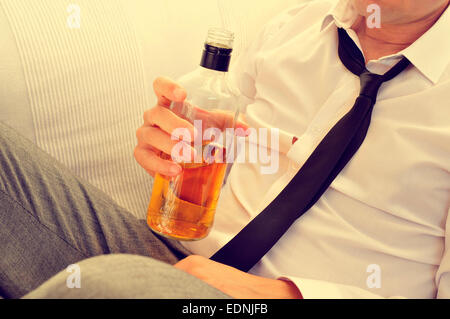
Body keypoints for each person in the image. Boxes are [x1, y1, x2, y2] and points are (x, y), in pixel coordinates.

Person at [0, 0, 449, 299]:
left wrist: (281, 294)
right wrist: (176, 144)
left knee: (105, 286)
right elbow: (240, 150)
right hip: (180, 259)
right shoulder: (291, 26)